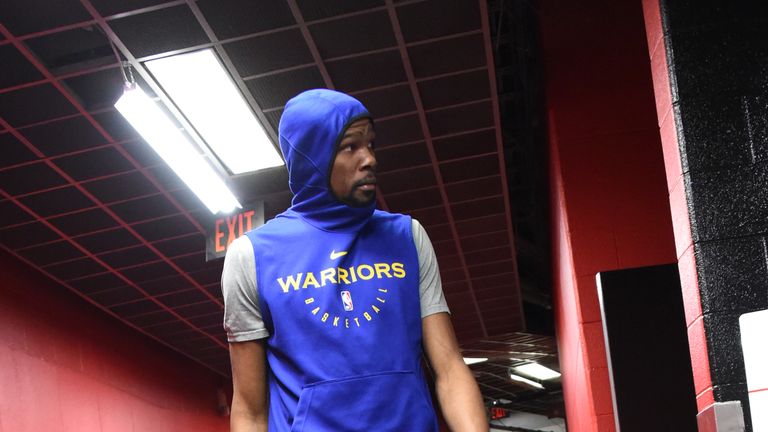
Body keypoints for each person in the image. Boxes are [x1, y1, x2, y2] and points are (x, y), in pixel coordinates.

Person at [222, 89, 487, 431]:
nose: (370, 159)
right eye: (351, 146)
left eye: (371, 144)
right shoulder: (251, 256)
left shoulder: (407, 236)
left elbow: (450, 369)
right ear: (314, 156)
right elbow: (249, 409)